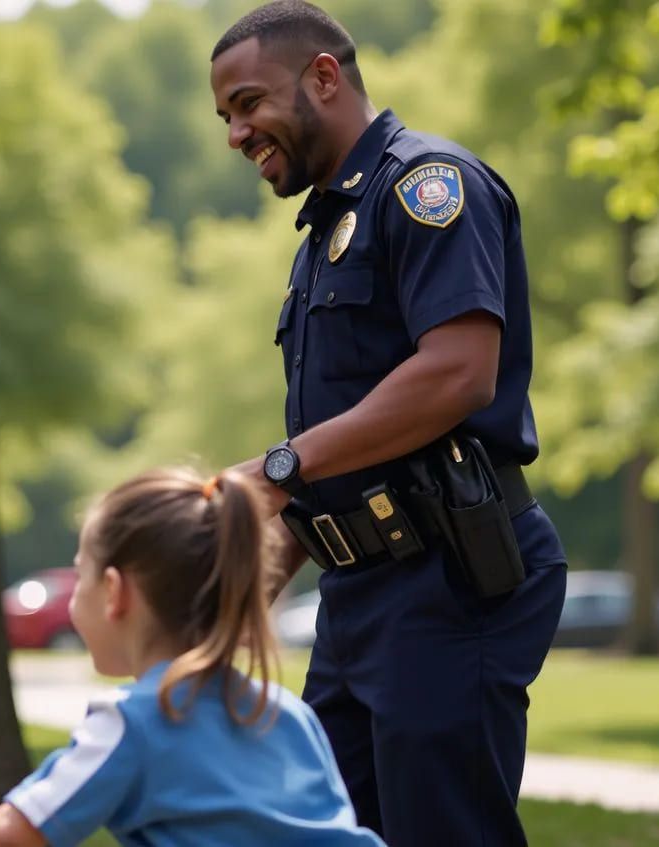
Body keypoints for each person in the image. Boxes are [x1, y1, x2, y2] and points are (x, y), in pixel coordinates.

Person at [207, 3, 569, 844]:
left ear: (324, 76)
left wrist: (274, 469)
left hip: (450, 578)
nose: (236, 134)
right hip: (360, 595)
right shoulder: (325, 232)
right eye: (226, 116)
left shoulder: (429, 186)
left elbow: (457, 373)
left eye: (249, 103)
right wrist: (236, 611)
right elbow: (341, 448)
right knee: (321, 830)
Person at [0, 468, 383, 847]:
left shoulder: (132, 723)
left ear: (112, 591)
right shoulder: (287, 713)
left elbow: (7, 835)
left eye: (80, 573)